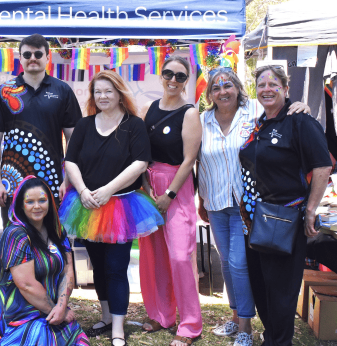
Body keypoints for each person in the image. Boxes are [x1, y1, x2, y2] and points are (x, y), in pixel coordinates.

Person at [197, 68, 311, 346]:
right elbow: (197, 160)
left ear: (237, 87)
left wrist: (301, 104)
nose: (222, 91)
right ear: (210, 94)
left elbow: (280, 117)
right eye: (216, 87)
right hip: (215, 201)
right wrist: (200, 199)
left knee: (239, 263)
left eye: (227, 85)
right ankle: (236, 318)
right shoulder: (202, 120)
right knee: (225, 262)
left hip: (247, 205)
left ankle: (247, 326)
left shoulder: (255, 115)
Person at [59, 70, 163, 346]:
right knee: (99, 267)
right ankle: (106, 317)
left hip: (121, 206)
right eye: (98, 92)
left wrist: (108, 190)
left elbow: (140, 163)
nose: (102, 96)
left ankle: (118, 326)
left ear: (119, 94)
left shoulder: (133, 125)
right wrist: (82, 190)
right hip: (87, 205)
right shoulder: (84, 125)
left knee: (117, 267)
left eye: (108, 91)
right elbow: (71, 161)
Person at [239, 65, 331, 346]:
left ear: (286, 89)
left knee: (280, 291)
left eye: (273, 84)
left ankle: (280, 341)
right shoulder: (260, 124)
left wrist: (312, 209)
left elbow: (323, 166)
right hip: (255, 221)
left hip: (284, 220)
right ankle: (272, 338)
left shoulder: (300, 122)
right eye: (261, 84)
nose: (266, 89)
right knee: (261, 286)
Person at [138, 56, 202, 346]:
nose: (173, 80)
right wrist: (144, 187)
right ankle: (162, 314)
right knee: (154, 256)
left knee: (179, 256)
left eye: (180, 76)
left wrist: (169, 195)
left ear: (186, 80)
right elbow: (142, 154)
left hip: (177, 186)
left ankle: (189, 325)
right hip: (150, 187)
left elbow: (189, 160)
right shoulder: (149, 109)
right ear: (160, 76)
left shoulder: (189, 113)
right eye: (168, 74)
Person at [0, 33, 82, 223]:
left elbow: (74, 138)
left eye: (38, 54)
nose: (33, 58)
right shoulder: (4, 92)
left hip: (53, 182)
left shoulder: (62, 91)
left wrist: (68, 180)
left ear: (47, 57)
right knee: (15, 241)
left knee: (54, 242)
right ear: (20, 58)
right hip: (11, 184)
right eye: (27, 54)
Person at [0, 176, 89, 346]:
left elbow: (68, 271)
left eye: (42, 200)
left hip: (51, 309)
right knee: (41, 338)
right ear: (21, 204)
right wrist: (57, 312)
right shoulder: (16, 234)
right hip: (19, 313)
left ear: (50, 202)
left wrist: (61, 306)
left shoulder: (57, 230)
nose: (37, 206)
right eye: (30, 202)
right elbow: (25, 284)